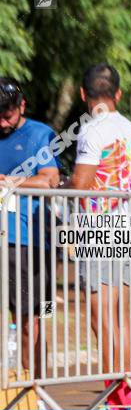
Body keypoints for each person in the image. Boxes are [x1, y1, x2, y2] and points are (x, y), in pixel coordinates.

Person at [69, 64, 131, 410]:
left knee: (103, 318)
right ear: (116, 93)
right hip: (129, 227)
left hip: (100, 230)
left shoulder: (91, 130)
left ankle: (120, 406)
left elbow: (81, 184)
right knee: (120, 317)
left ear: (84, 95)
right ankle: (123, 401)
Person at [0, 79, 60, 381]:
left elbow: (50, 179)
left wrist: (7, 181)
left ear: (22, 106)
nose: (2, 121)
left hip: (28, 244)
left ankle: (38, 397)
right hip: (4, 244)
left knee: (33, 320)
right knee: (15, 321)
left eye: (7, 114)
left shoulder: (39, 134)